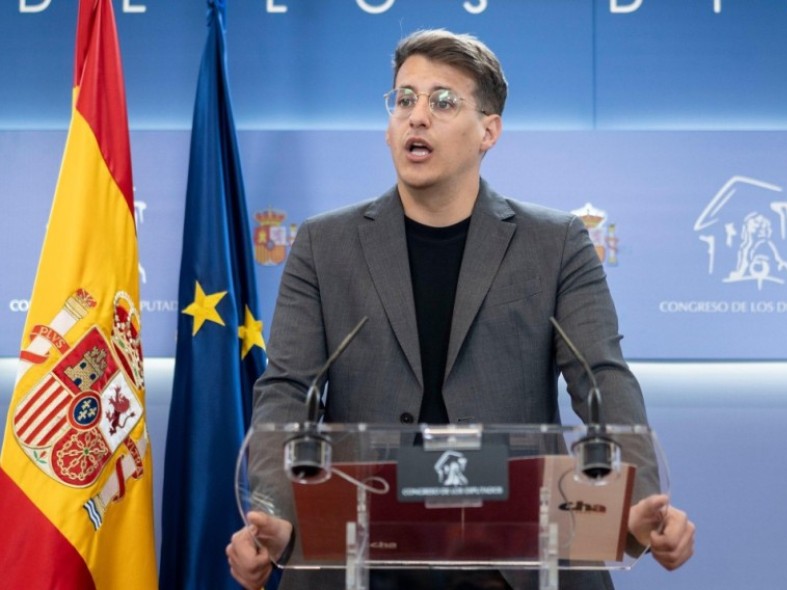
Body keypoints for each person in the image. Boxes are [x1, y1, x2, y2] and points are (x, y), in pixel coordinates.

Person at [227, 28, 695, 589]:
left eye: (443, 102)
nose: (417, 117)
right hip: (360, 552)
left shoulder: (556, 243)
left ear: (488, 131)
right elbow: (286, 391)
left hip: (513, 555)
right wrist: (272, 511)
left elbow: (603, 380)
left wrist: (640, 503)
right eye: (405, 99)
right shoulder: (323, 245)